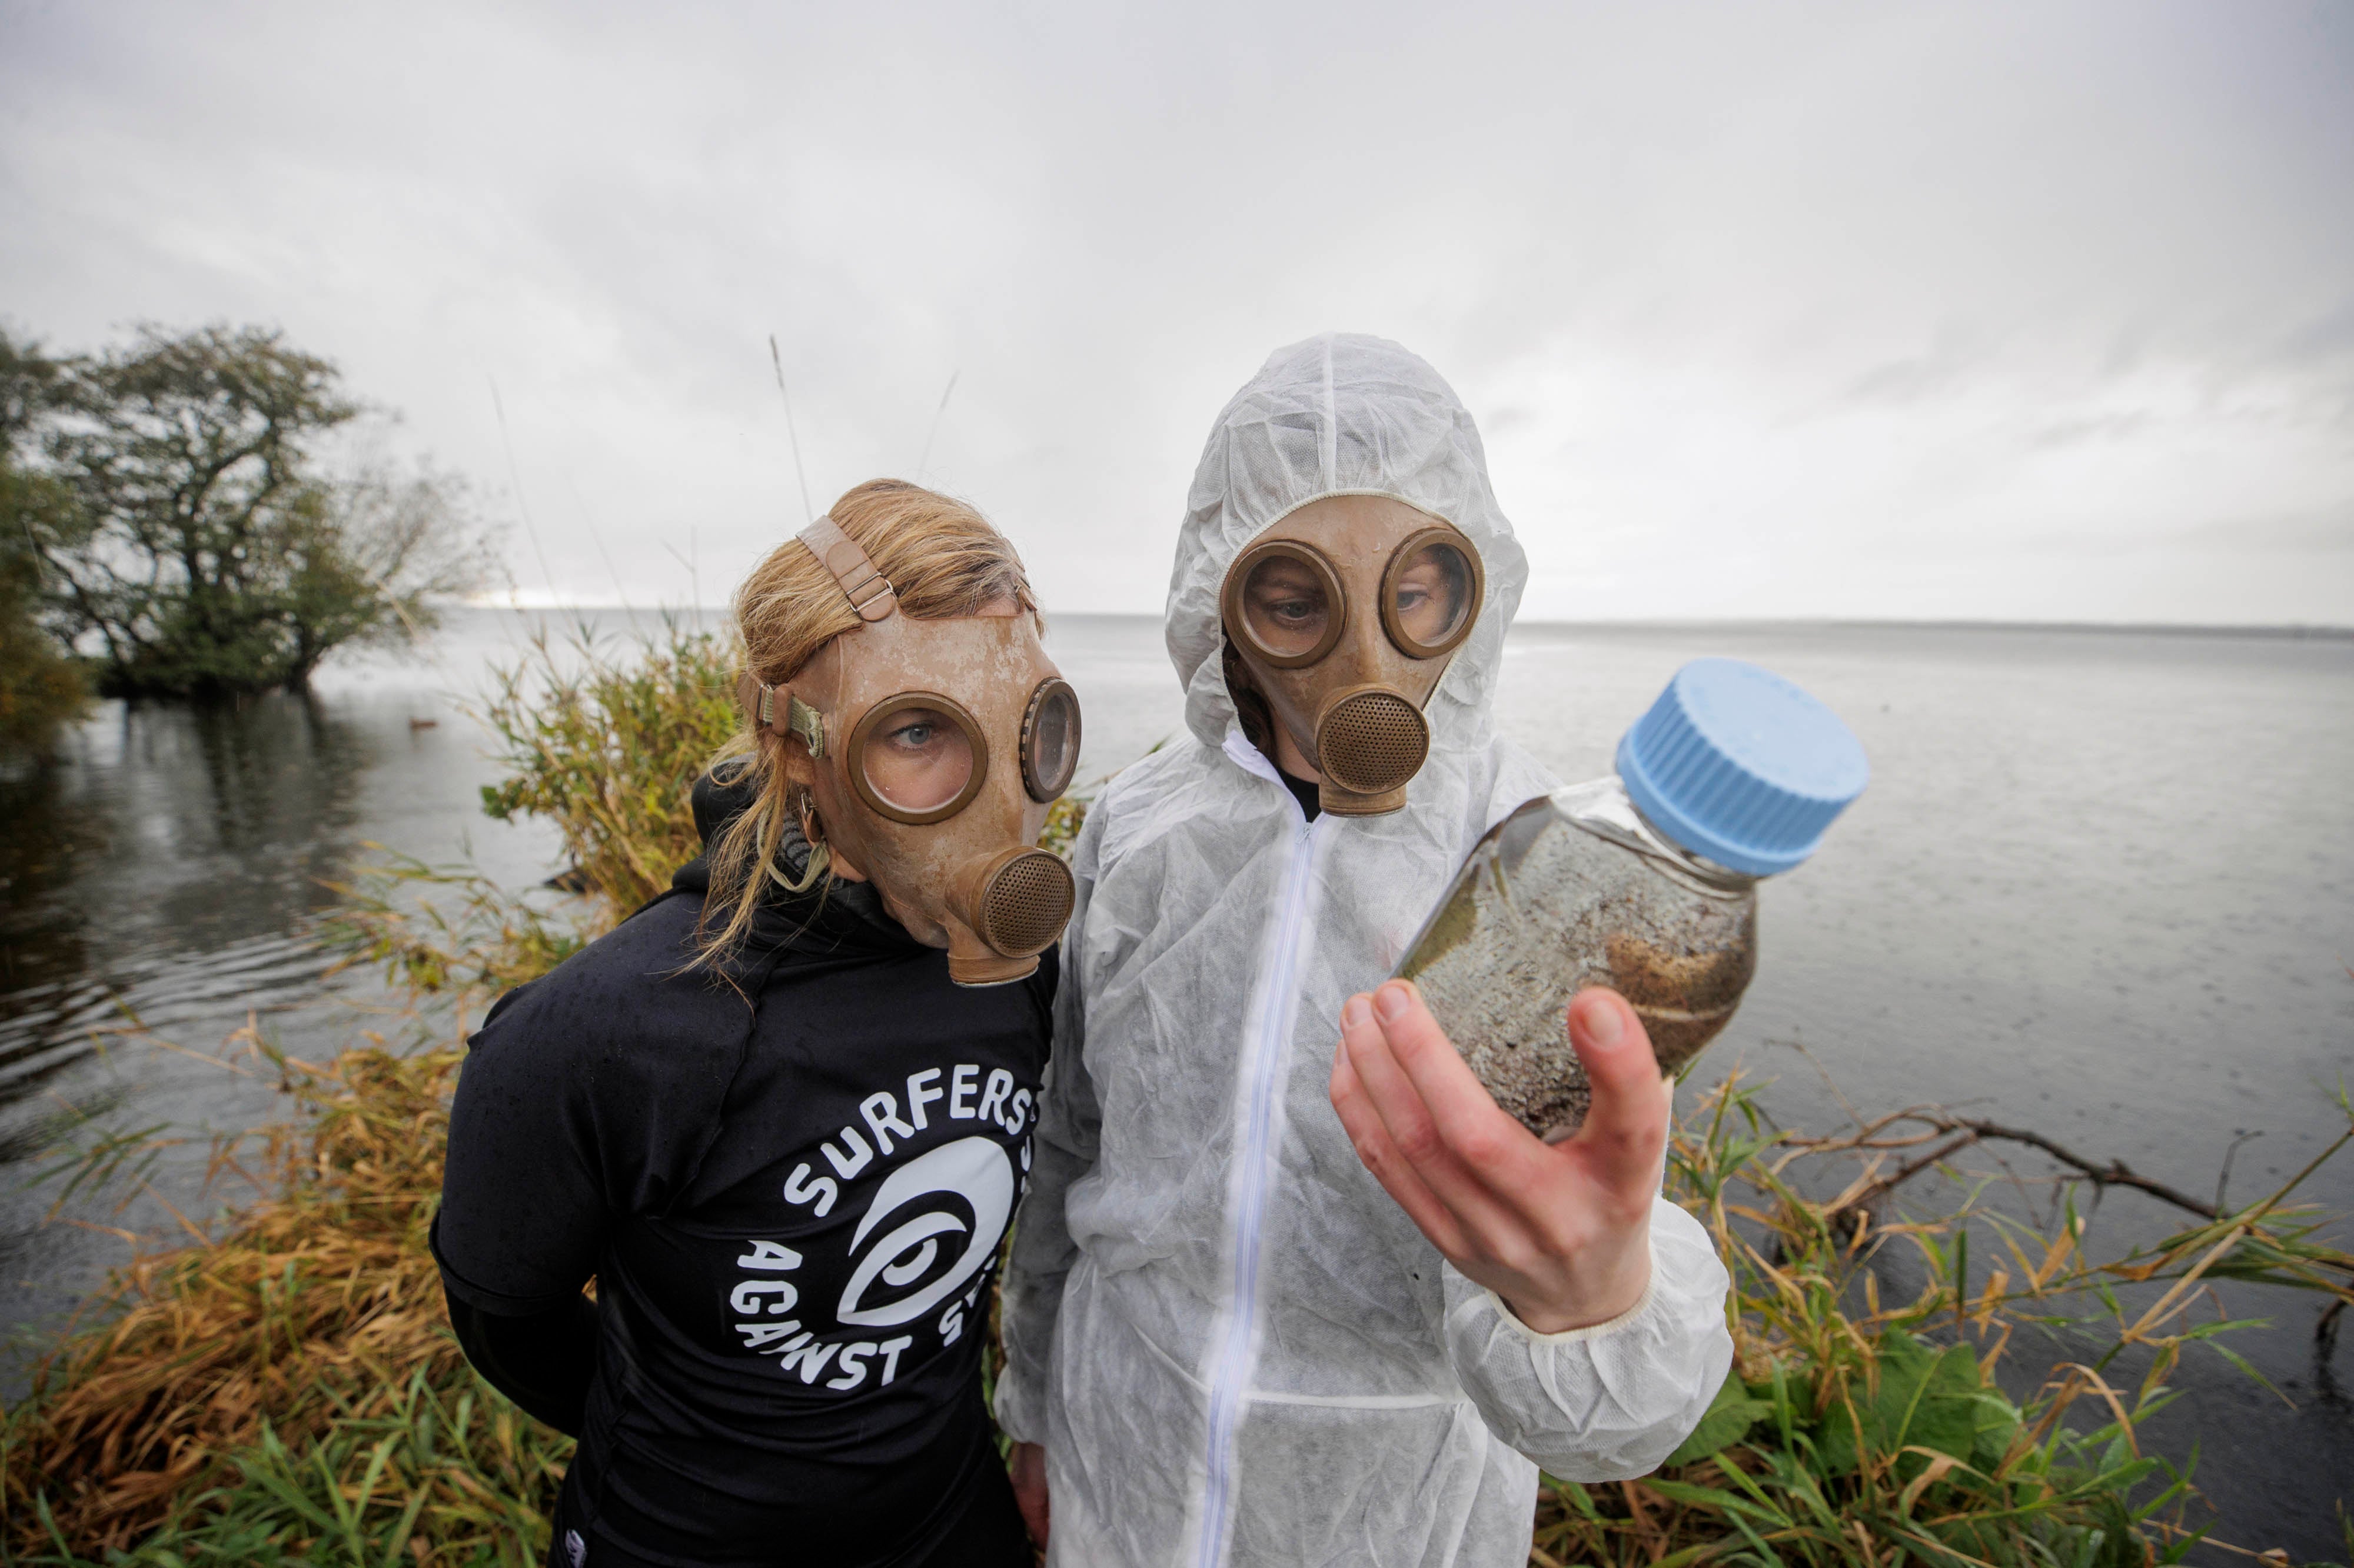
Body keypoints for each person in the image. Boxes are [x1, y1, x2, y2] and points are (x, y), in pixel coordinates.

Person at [995, 335, 1734, 1567]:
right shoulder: (1138, 828)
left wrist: (1594, 1304)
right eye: (1294, 600)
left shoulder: (1535, 859)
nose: (1361, 652)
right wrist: (1034, 1416)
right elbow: (1074, 1145)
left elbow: (1603, 1267)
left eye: (1411, 591)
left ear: (1470, 585)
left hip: (1388, 1508)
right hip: (1123, 1456)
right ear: (1216, 595)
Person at [433, 480, 1084, 1568]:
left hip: (946, 1519)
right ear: (796, 749)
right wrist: (705, 1445)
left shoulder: (1025, 972)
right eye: (917, 729)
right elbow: (508, 1312)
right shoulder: (613, 1029)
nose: (999, 800)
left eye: (1030, 728)